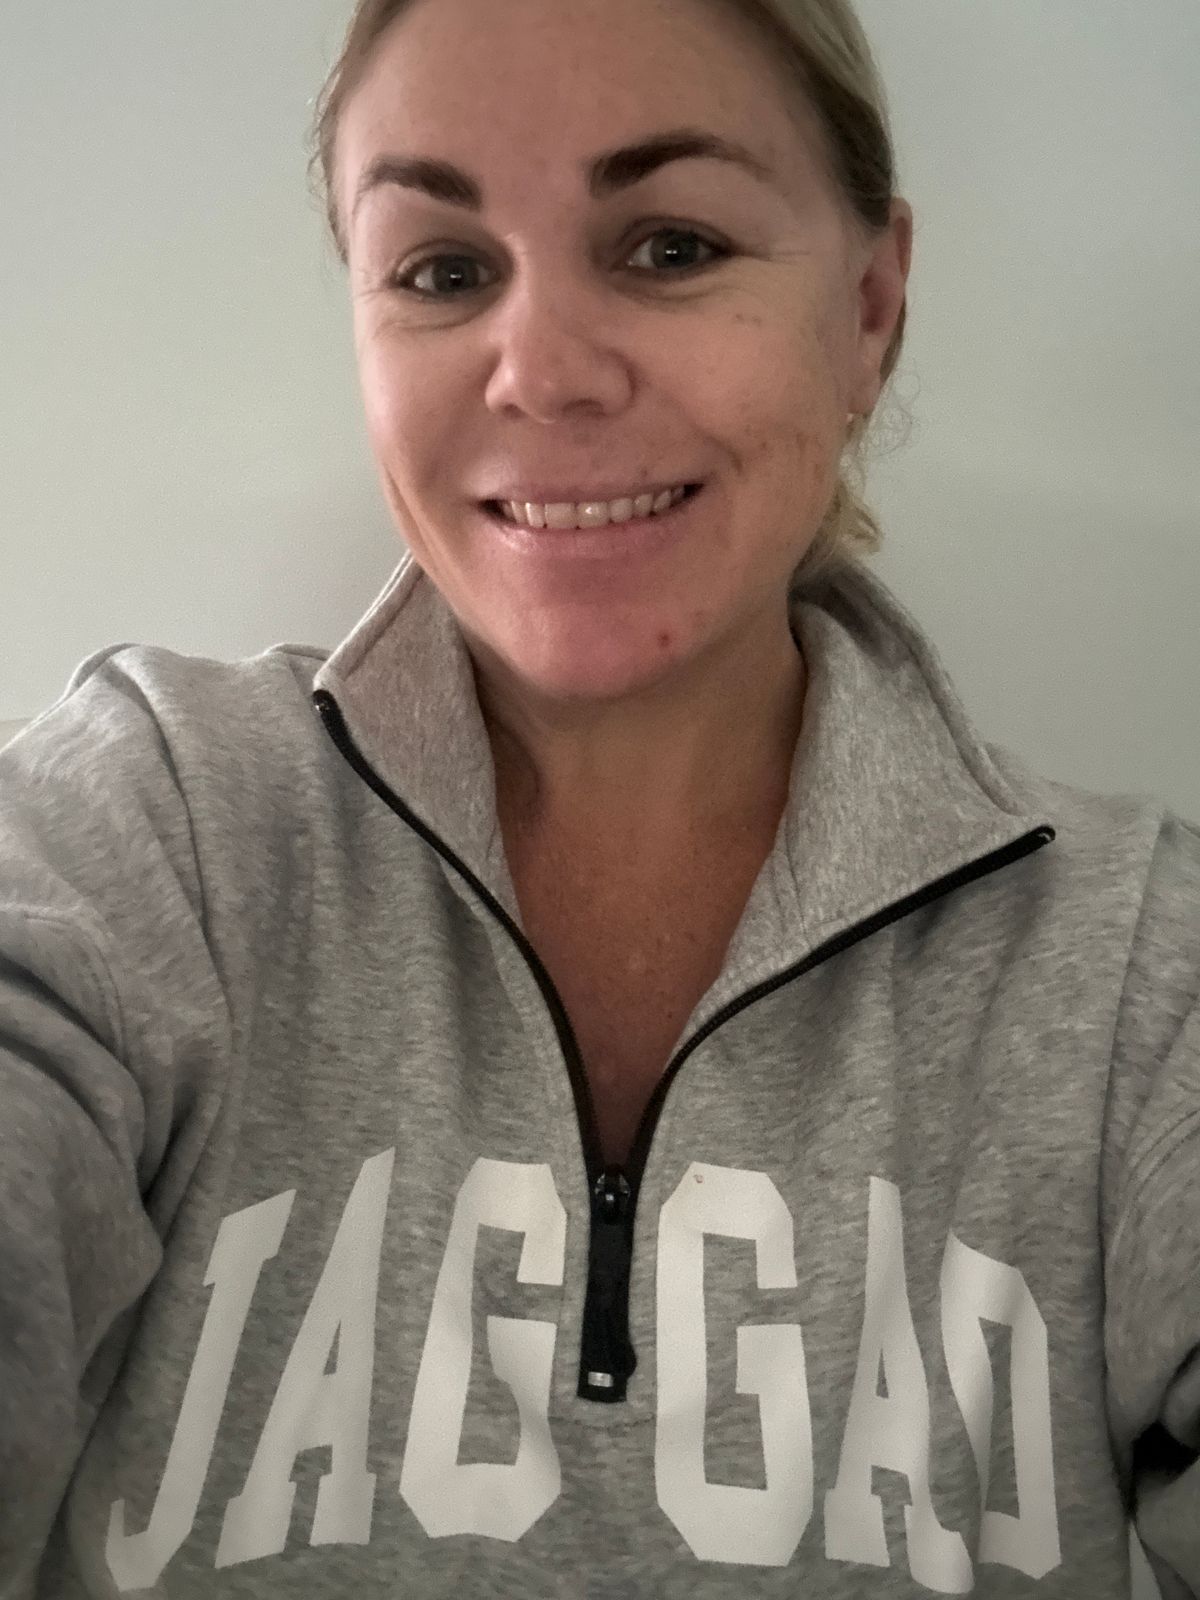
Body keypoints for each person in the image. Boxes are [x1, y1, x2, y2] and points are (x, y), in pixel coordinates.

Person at [0, 0, 1196, 1593]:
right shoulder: (154, 827)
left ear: (869, 310)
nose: (544, 373)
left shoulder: (1139, 980)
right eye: (444, 270)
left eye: (671, 246)